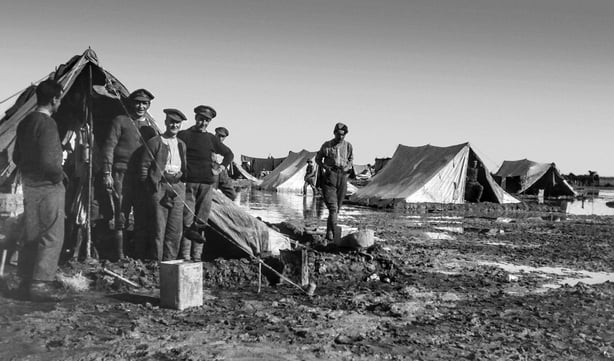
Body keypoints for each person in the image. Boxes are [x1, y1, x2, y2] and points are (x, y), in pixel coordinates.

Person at [12, 79, 66, 301]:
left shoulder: (25, 122)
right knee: (52, 235)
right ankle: (42, 284)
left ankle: (25, 280)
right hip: (48, 187)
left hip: (29, 184)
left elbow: (16, 157)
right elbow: (49, 161)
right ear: (54, 99)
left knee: (31, 233)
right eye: (60, 99)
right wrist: (58, 175)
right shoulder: (47, 124)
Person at [101, 88, 156, 260]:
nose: (141, 106)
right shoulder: (120, 121)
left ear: (148, 105)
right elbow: (109, 146)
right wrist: (107, 172)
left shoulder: (150, 127)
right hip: (121, 174)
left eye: (145, 103)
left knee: (141, 216)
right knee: (121, 214)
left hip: (141, 176)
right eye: (138, 102)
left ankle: (137, 256)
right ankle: (120, 256)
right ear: (131, 103)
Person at [178, 105, 234, 261]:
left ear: (209, 122)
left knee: (201, 220)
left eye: (207, 121)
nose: (203, 123)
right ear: (196, 118)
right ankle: (185, 255)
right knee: (187, 219)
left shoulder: (211, 139)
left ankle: (197, 256)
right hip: (188, 184)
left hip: (206, 185)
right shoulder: (184, 135)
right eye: (201, 119)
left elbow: (229, 154)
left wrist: (220, 168)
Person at [139, 109, 187, 261]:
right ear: (166, 122)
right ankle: (156, 261)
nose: (174, 125)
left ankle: (169, 261)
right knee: (159, 227)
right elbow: (144, 167)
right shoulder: (155, 142)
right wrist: (149, 187)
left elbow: (184, 167)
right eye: (171, 122)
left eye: (177, 123)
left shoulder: (181, 144)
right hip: (159, 185)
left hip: (178, 186)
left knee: (175, 228)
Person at [315, 122, 353, 242]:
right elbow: (317, 159)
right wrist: (326, 167)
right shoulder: (327, 145)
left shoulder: (348, 146)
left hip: (342, 177)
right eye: (338, 134)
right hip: (330, 177)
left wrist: (347, 168)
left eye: (343, 135)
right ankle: (334, 236)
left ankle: (329, 233)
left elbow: (351, 159)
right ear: (334, 133)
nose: (340, 137)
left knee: (337, 209)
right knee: (333, 208)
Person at [212, 126, 237, 201]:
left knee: (232, 195)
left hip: (221, 172)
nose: (220, 139)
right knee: (211, 194)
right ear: (215, 134)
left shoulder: (221, 147)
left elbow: (230, 155)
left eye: (223, 137)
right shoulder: (208, 142)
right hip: (211, 171)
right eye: (219, 136)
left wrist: (222, 167)